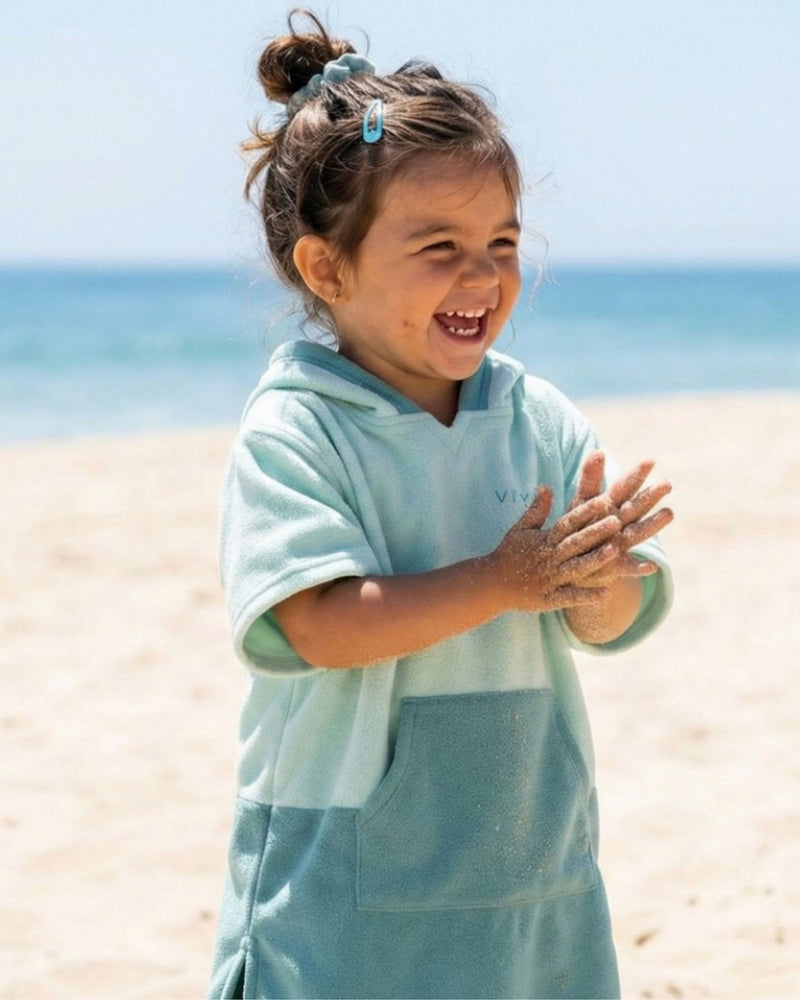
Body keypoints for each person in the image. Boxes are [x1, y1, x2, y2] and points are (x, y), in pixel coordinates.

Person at [208, 10, 674, 999]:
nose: (482, 273)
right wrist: (499, 581)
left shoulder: (533, 415)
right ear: (327, 268)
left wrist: (597, 581)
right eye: (438, 245)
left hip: (526, 864)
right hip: (346, 878)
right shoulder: (300, 427)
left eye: (501, 240)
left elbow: (610, 622)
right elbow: (315, 624)